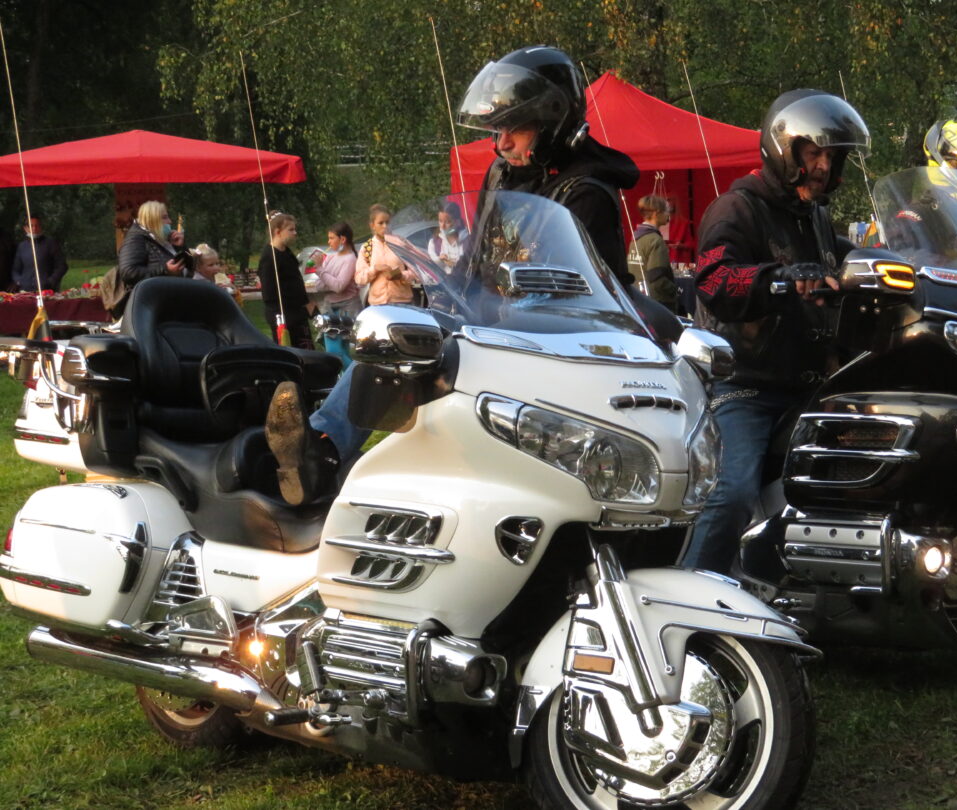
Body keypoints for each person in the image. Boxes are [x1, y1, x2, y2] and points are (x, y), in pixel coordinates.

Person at [264, 45, 677, 505]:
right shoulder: (505, 175)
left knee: (421, 350)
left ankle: (329, 455)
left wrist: (485, 312)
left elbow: (571, 295)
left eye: (514, 129)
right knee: (396, 334)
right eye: (497, 130)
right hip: (496, 328)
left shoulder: (586, 191)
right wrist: (441, 290)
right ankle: (319, 452)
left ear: (552, 121)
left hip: (555, 346)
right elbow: (476, 260)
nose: (502, 144)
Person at [683, 89, 871, 575]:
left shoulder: (816, 217)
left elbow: (844, 267)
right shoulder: (736, 208)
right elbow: (714, 280)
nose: (823, 166)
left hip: (812, 387)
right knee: (731, 493)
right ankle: (689, 594)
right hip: (746, 385)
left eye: (832, 156)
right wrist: (777, 279)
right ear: (784, 150)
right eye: (814, 154)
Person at [115, 201, 188, 314]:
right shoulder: (136, 239)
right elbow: (128, 272)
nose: (170, 221)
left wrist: (180, 247)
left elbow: (189, 267)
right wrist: (165, 270)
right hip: (150, 306)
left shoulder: (160, 239)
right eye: (165, 217)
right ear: (152, 220)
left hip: (168, 302)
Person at [258, 211, 314, 350]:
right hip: (284, 315)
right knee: (291, 353)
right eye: (291, 230)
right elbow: (269, 295)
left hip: (298, 314)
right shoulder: (269, 257)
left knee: (307, 352)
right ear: (278, 232)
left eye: (295, 229)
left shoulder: (287, 252)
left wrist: (306, 304)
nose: (295, 233)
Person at [314, 220, 361, 366]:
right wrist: (322, 271)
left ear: (343, 239)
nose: (328, 242)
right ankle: (351, 377)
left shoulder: (350, 259)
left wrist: (320, 270)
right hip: (330, 309)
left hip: (347, 310)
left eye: (331, 238)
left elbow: (339, 286)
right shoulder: (331, 257)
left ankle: (352, 376)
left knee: (340, 351)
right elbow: (320, 285)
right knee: (335, 351)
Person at [355, 204, 417, 305]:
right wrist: (374, 269)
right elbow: (359, 278)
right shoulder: (367, 248)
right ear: (372, 225)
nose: (385, 226)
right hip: (378, 304)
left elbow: (416, 270)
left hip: (402, 302)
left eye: (387, 222)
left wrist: (402, 275)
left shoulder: (400, 243)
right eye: (381, 223)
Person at [628, 195, 679, 313]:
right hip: (657, 304)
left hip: (638, 299)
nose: (669, 215)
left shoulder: (635, 238)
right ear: (656, 213)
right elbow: (657, 279)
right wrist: (675, 290)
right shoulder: (655, 240)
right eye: (666, 211)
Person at [11, 214, 67, 292]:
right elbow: (15, 270)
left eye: (37, 225)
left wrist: (50, 281)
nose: (34, 228)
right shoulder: (22, 246)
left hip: (46, 291)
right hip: (25, 291)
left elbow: (62, 266)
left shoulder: (51, 243)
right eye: (31, 226)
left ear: (41, 227)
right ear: (25, 228)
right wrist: (20, 281)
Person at [427, 202, 469, 272]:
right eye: (440, 221)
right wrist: (439, 260)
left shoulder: (469, 240)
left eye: (447, 222)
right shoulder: (434, 242)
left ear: (457, 222)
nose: (442, 226)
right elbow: (431, 266)